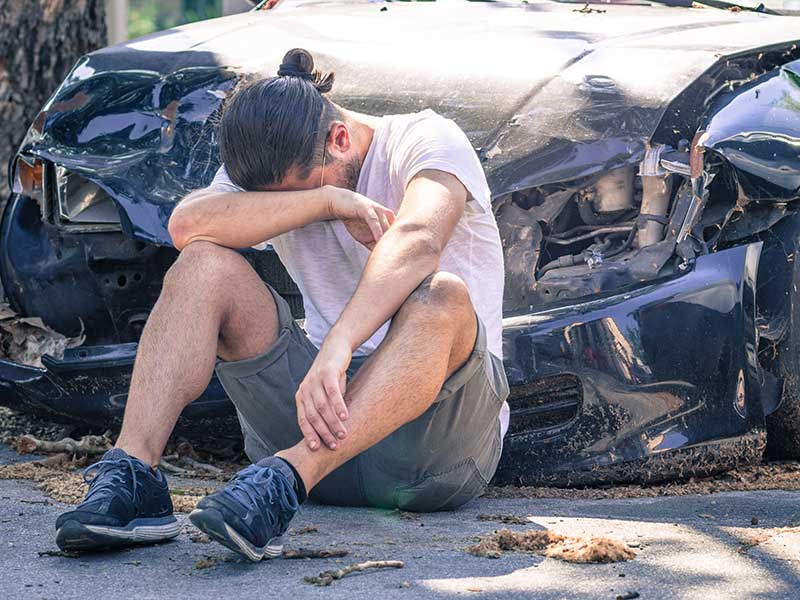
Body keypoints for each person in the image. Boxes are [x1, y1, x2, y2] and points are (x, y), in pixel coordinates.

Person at [54, 48, 509, 561]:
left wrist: (340, 344)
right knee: (203, 262)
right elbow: (185, 225)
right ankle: (135, 473)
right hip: (316, 416)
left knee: (442, 294)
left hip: (434, 451)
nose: (290, 207)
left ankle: (290, 477)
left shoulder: (427, 138)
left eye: (302, 191)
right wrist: (323, 200)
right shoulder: (277, 165)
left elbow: (419, 238)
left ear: (340, 140)